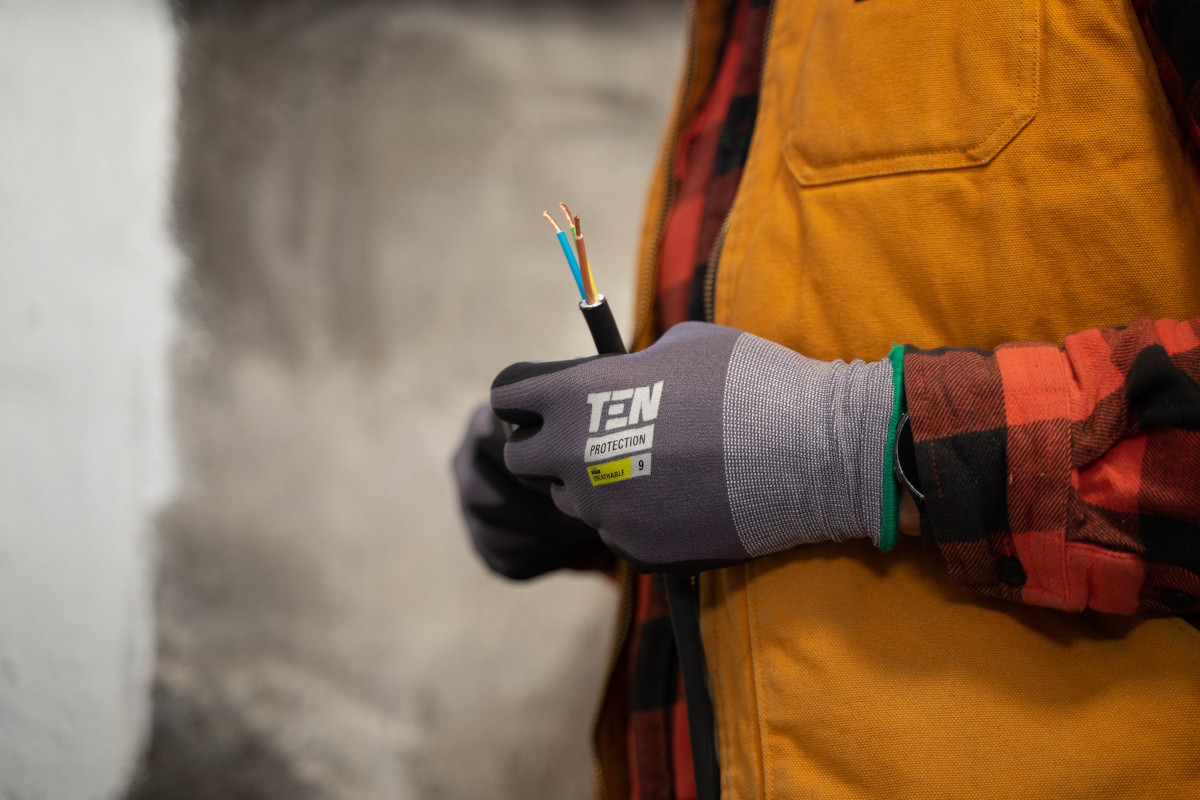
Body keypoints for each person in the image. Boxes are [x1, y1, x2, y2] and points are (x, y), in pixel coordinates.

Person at [453, 0, 1200, 797]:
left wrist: (853, 445)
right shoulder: (741, 28)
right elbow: (742, 464)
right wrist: (594, 495)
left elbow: (783, 441)